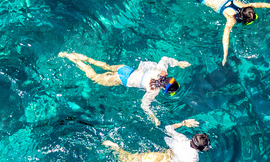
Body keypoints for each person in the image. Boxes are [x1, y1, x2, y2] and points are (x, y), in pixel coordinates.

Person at [59, 51, 189, 126]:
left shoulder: (162, 71)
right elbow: (144, 106)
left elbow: (164, 58)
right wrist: (153, 117)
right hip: (123, 80)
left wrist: (178, 63)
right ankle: (73, 59)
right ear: (165, 89)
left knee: (105, 66)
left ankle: (79, 56)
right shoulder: (153, 91)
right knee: (94, 77)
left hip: (127, 69)